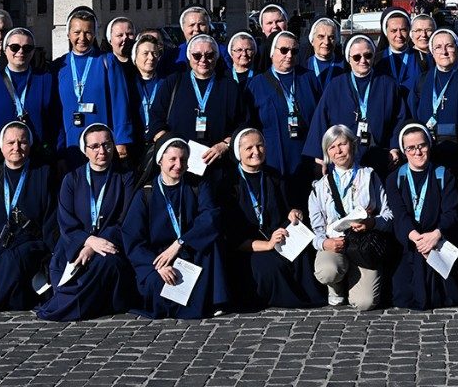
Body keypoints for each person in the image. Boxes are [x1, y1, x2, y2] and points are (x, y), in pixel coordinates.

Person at [36, 124, 138, 321]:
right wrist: (87, 241)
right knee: (71, 274)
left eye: (107, 145)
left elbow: (125, 219)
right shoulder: (71, 179)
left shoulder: (126, 177)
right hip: (72, 246)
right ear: (85, 150)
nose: (102, 151)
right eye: (95, 146)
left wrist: (94, 245)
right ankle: (74, 302)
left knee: (107, 264)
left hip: (110, 245)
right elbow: (65, 221)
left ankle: (67, 306)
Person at [123, 138, 228, 318]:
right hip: (158, 260)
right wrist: (156, 266)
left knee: (211, 244)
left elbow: (210, 218)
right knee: (161, 288)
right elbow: (133, 240)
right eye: (172, 159)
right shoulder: (145, 194)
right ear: (160, 161)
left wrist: (181, 242)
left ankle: (213, 301)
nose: (178, 165)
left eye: (183, 160)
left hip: (189, 249)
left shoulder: (197, 186)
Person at [221, 128, 324, 310]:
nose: (256, 152)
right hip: (249, 247)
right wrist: (268, 245)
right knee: (269, 267)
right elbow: (233, 238)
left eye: (260, 146)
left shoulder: (274, 175)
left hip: (279, 238)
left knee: (302, 255)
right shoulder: (230, 183)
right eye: (249, 148)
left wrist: (294, 213)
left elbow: (288, 208)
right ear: (238, 153)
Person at [0, 121, 57, 312]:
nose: (16, 147)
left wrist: (53, 258)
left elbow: (52, 219)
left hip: (32, 248)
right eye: (11, 142)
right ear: (1, 146)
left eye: (22, 142)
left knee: (11, 264)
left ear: (29, 145)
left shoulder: (44, 175)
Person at [308, 125, 393, 310]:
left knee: (365, 303)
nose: (338, 151)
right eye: (332, 147)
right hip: (335, 246)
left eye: (342, 144)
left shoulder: (369, 176)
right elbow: (316, 230)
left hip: (363, 245)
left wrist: (372, 223)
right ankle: (336, 286)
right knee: (327, 271)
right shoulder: (319, 187)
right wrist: (324, 244)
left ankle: (354, 279)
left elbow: (389, 215)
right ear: (327, 153)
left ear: (352, 146)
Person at [386, 125, 458, 309]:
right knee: (403, 295)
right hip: (411, 243)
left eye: (422, 146)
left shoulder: (444, 175)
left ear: (429, 146)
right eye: (411, 148)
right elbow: (399, 215)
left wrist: (435, 235)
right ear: (404, 151)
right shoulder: (395, 179)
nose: (417, 152)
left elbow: (452, 213)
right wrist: (418, 239)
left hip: (439, 241)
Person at [0, 28, 60, 185]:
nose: (21, 52)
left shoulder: (45, 80)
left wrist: (59, 155)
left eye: (27, 48)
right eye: (14, 47)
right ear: (5, 50)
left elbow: (56, 122)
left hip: (37, 159)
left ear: (33, 51)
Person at [147, 34, 249, 183]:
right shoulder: (173, 82)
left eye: (209, 55)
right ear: (189, 56)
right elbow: (156, 121)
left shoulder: (229, 86)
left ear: (216, 56)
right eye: (197, 55)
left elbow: (242, 125)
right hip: (179, 168)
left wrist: (225, 145)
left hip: (218, 168)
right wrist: (173, 149)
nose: (203, 60)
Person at [305, 35, 407, 172]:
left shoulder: (388, 84)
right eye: (357, 57)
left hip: (379, 156)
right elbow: (320, 120)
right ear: (349, 59)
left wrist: (395, 147)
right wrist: (319, 156)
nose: (363, 60)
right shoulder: (336, 85)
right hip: (342, 158)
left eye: (368, 55)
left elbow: (399, 119)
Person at [53, 7, 133, 172]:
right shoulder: (60, 66)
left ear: (95, 34)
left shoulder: (107, 61)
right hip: (71, 142)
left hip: (102, 143)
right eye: (77, 32)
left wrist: (121, 140)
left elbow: (120, 102)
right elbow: (55, 110)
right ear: (68, 34)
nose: (82, 38)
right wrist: (59, 148)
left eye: (88, 32)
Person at [248, 31, 320, 205]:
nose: (289, 55)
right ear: (272, 52)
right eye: (284, 50)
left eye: (294, 51)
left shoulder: (308, 77)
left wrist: (320, 154)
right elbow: (251, 124)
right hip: (273, 159)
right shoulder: (256, 84)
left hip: (306, 157)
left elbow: (320, 118)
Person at [411, 29, 458, 174]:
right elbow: (414, 117)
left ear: (457, 48)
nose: (444, 52)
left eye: (449, 46)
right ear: (431, 51)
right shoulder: (422, 80)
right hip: (429, 158)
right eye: (438, 47)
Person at [125, 35, 164, 166]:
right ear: (135, 57)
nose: (151, 58)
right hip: (133, 144)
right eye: (145, 53)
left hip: (159, 144)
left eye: (154, 53)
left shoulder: (166, 84)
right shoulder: (127, 84)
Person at [167, 7, 231, 75]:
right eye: (192, 25)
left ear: (208, 26)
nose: (196, 29)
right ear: (183, 28)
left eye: (201, 24)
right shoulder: (173, 55)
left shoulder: (222, 51)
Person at [375, 9, 424, 99]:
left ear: (409, 30)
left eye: (403, 30)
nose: (399, 35)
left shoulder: (422, 59)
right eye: (393, 31)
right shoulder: (376, 60)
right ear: (386, 32)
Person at [304, 18, 346, 91]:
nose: (326, 42)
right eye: (321, 37)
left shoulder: (345, 66)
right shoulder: (304, 66)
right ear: (312, 40)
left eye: (331, 37)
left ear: (336, 40)